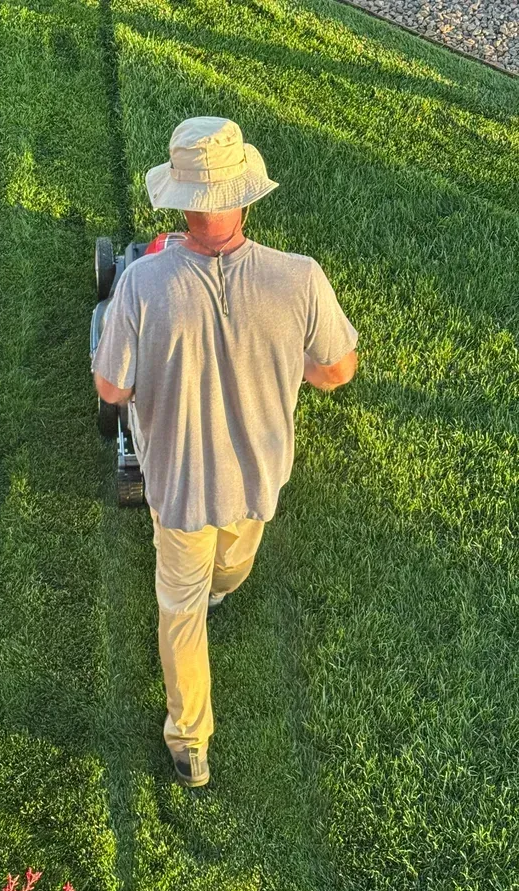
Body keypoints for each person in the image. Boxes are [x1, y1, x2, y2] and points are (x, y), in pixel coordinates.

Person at [92, 116, 358, 788]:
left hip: (180, 489)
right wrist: (284, 362)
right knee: (231, 566)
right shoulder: (299, 279)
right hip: (259, 479)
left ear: (179, 200)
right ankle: (223, 586)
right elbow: (337, 369)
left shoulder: (142, 285)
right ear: (244, 194)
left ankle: (190, 744)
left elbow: (111, 385)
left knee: (179, 610)